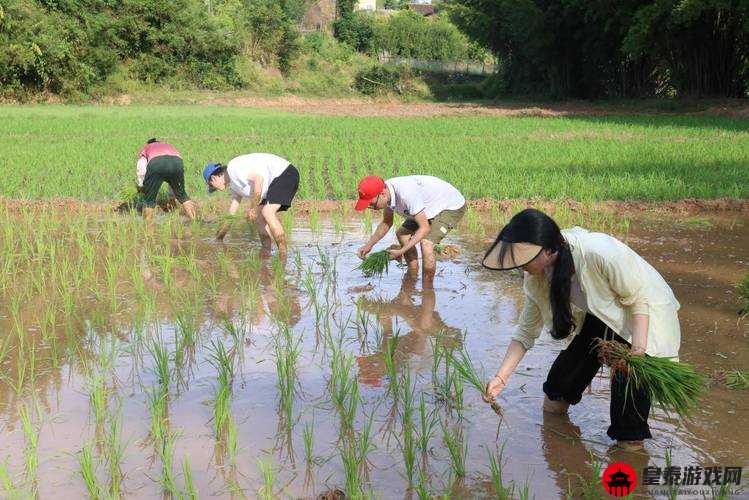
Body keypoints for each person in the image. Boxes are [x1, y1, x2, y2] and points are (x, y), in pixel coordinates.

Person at [481, 208, 681, 451]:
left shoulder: (598, 253)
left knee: (628, 422)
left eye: (525, 257)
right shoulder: (536, 276)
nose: (520, 265)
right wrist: (501, 378)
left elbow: (639, 301)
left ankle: (630, 462)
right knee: (557, 391)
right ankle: (560, 451)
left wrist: (636, 354)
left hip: (645, 318)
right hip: (602, 315)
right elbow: (525, 332)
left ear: (549, 249)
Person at [354, 175, 466, 288]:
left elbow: (425, 228)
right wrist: (369, 245)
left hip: (449, 205)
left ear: (382, 194)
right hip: (426, 207)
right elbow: (387, 223)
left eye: (372, 204)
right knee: (402, 234)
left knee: (426, 244)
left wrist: (401, 251)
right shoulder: (387, 192)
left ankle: (427, 288)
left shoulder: (406, 195)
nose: (371, 207)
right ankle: (412, 273)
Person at [203, 153, 300, 256]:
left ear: (213, 178)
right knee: (259, 218)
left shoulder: (233, 169)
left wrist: (253, 208)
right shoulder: (234, 186)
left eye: (212, 186)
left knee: (267, 212)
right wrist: (219, 238)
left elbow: (259, 180)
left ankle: (283, 254)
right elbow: (231, 215)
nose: (215, 189)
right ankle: (266, 252)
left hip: (285, 173)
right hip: (273, 184)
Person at [136, 138, 196, 221]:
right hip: (177, 163)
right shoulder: (169, 146)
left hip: (157, 164)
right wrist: (172, 196)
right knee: (182, 196)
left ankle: (148, 226)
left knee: (149, 200)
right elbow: (172, 179)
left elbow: (141, 169)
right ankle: (195, 220)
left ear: (148, 144)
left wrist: (141, 186)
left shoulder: (146, 148)